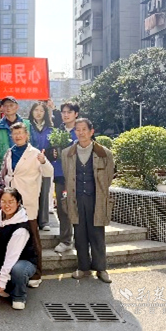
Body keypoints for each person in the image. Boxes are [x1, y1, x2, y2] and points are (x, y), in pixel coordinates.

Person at [61, 118, 115, 283]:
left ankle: (101, 268)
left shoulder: (104, 153)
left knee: (97, 234)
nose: (81, 132)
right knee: (79, 234)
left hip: (96, 198)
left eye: (84, 129)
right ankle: (83, 267)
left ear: (92, 131)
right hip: (76, 199)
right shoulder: (67, 153)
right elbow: (67, 176)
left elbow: (108, 177)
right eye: (77, 129)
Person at [0, 188, 41, 310]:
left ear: (18, 203)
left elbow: (11, 257)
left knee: (18, 270)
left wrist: (2, 280)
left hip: (23, 261)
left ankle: (19, 296)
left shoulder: (21, 228)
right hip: (3, 257)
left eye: (11, 201)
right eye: (3, 201)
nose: (7, 205)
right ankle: (8, 286)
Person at [53, 101, 80, 254]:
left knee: (79, 208)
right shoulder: (58, 131)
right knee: (63, 209)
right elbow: (50, 152)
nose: (65, 115)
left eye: (69, 112)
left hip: (79, 176)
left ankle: (81, 240)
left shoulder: (82, 129)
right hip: (61, 175)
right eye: (63, 112)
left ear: (76, 114)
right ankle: (66, 240)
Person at [28, 101, 55, 231]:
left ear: (45, 113)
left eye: (41, 110)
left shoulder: (50, 129)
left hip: (45, 162)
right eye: (36, 110)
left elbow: (53, 146)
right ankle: (31, 219)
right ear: (32, 112)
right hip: (30, 162)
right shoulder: (28, 126)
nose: (38, 113)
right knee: (32, 192)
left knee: (45, 191)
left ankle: (44, 221)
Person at [0, 96, 32, 169]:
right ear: (2, 108)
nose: (8, 108)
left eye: (11, 105)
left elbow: (34, 144)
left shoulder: (27, 124)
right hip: (4, 166)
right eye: (5, 106)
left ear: (17, 107)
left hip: (25, 166)